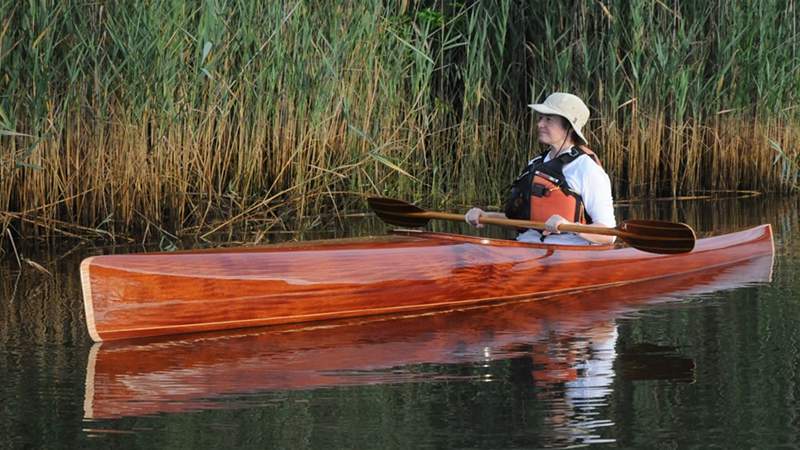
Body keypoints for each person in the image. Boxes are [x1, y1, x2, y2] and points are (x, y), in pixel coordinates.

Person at [465, 92, 616, 245]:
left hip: (566, 255)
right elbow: (525, 220)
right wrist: (485, 216)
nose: (540, 124)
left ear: (569, 126)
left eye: (549, 119)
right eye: (541, 118)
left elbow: (609, 234)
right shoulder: (536, 164)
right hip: (524, 248)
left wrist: (571, 227)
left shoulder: (587, 169)